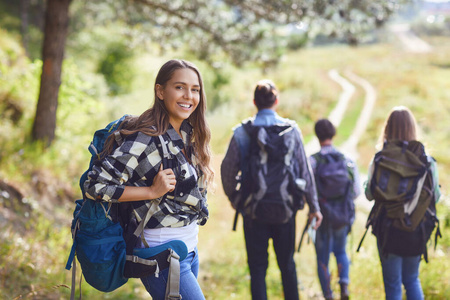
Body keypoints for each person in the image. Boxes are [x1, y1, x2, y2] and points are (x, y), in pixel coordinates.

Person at [83, 59, 213, 300]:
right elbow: (95, 185)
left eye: (195, 89)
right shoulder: (146, 136)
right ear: (160, 91)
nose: (189, 96)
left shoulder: (187, 134)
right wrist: (151, 192)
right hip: (161, 254)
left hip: (188, 250)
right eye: (180, 87)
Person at [221, 79, 322, 300]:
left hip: (253, 210)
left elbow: (227, 171)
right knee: (287, 265)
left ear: (254, 102)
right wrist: (314, 206)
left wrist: (237, 199)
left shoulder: (242, 133)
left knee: (257, 269)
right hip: (285, 210)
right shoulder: (292, 130)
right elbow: (305, 171)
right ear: (276, 101)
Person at [365, 106, 441, 300]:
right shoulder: (427, 161)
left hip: (388, 230)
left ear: (387, 128)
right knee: (412, 280)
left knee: (392, 285)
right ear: (412, 128)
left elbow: (368, 194)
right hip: (416, 229)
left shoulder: (380, 158)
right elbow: (436, 197)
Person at [309, 119, 361, 300]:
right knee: (341, 251)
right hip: (342, 217)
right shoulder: (347, 161)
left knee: (322, 257)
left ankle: (328, 295)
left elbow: (308, 192)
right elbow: (356, 192)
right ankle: (344, 285)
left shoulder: (313, 162)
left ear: (317, 135)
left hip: (321, 217)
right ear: (333, 134)